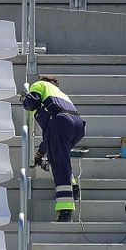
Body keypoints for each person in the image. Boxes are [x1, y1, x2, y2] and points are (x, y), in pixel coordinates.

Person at [22, 75, 86, 222]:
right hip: (76, 126)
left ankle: (65, 209)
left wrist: (25, 100)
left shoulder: (40, 85)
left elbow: (31, 102)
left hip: (60, 122)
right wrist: (40, 153)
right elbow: (50, 136)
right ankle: (73, 188)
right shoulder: (61, 94)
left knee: (59, 164)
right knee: (59, 157)